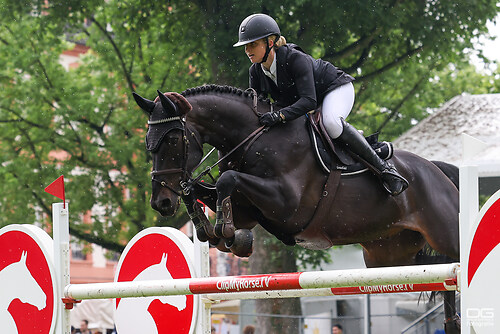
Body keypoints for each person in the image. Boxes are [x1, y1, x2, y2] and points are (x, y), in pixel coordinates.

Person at [233, 14, 408, 195]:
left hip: (334, 89)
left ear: (270, 42)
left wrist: (279, 115)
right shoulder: (255, 71)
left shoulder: (294, 59)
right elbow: (257, 105)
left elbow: (309, 101)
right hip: (307, 100)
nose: (247, 50)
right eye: (246, 46)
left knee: (331, 123)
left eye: (253, 44)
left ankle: (387, 171)